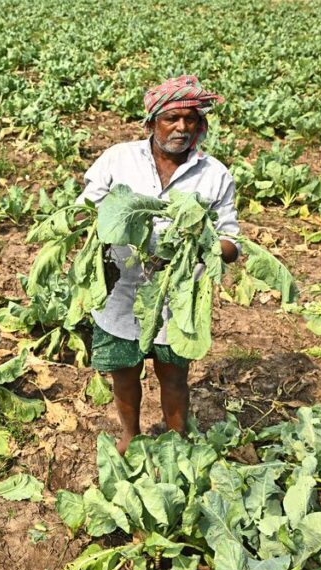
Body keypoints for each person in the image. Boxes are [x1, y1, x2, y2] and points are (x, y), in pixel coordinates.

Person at [75, 76, 239, 455]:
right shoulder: (119, 158)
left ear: (200, 125)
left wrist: (208, 244)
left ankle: (177, 440)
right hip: (120, 287)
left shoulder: (214, 174)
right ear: (151, 123)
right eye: (172, 118)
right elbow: (87, 208)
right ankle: (130, 434)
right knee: (124, 370)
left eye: (190, 120)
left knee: (173, 372)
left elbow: (232, 240)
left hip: (179, 291)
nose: (181, 127)